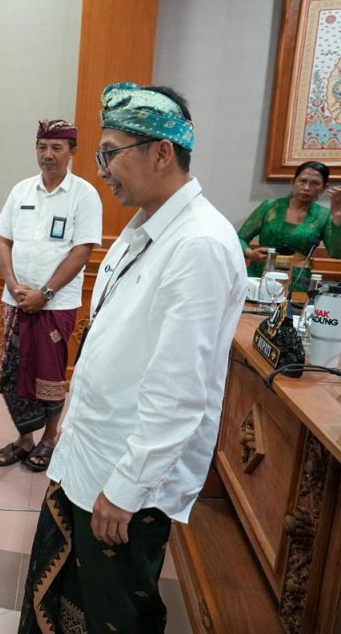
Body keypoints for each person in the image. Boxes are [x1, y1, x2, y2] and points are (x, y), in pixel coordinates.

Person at [19, 83, 247, 633]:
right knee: (69, 595)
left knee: (115, 611)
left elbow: (180, 390)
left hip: (124, 480)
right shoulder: (141, 228)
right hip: (91, 452)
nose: (102, 170)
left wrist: (126, 489)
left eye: (111, 153)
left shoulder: (199, 245)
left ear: (161, 152)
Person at [0, 119, 101, 473]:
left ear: (71, 151)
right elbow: (3, 239)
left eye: (56, 148)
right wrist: (10, 282)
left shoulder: (84, 194)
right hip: (17, 302)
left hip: (56, 306)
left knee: (48, 375)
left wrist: (46, 292)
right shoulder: (21, 190)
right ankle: (24, 439)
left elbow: (82, 250)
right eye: (42, 147)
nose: (47, 155)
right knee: (14, 372)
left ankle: (50, 437)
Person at [237, 160, 341, 291]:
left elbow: (336, 253)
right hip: (259, 275)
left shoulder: (323, 215)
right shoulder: (270, 207)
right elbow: (239, 239)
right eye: (302, 181)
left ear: (324, 188)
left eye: (315, 183)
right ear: (293, 181)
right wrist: (250, 253)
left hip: (296, 282)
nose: (307, 187)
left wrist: (338, 216)